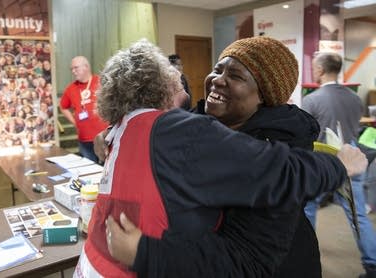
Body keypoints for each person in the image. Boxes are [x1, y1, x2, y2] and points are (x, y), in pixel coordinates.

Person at [73, 39, 367, 278]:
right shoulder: (196, 124)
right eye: (218, 69)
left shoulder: (278, 151)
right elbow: (162, 129)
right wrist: (118, 129)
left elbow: (245, 264)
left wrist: (144, 253)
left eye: (236, 76)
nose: (216, 81)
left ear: (264, 95)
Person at [302, 52, 376, 278]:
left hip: (322, 161)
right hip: (351, 157)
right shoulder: (354, 98)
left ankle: (305, 260)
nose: (314, 71)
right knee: (357, 215)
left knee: (308, 209)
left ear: (321, 70)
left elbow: (305, 134)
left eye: (315, 67)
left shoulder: (311, 99)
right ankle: (372, 265)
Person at [59, 56, 107, 163]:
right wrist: (75, 122)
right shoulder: (71, 88)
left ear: (86, 67)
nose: (73, 71)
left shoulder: (101, 82)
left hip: (103, 138)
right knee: (89, 173)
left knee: (107, 172)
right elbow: (63, 107)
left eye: (76, 68)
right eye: (71, 69)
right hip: (85, 141)